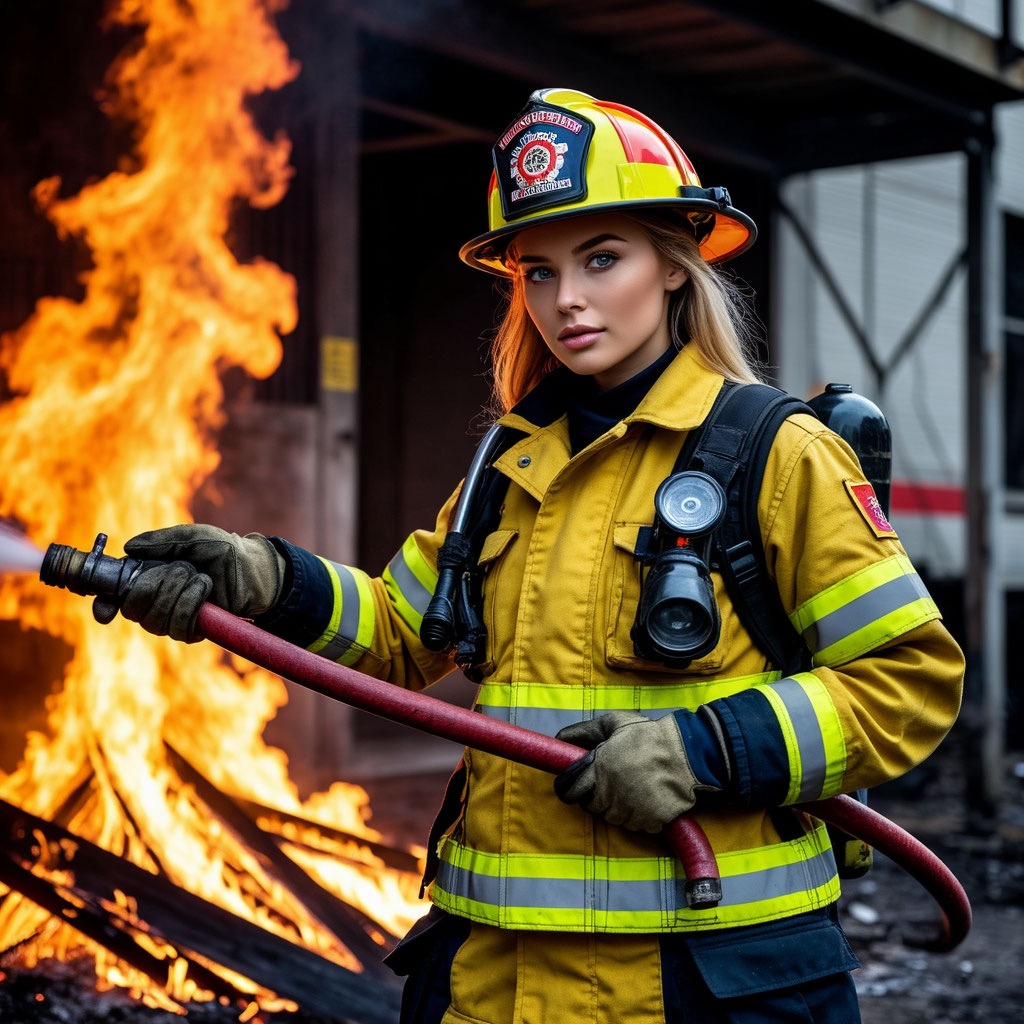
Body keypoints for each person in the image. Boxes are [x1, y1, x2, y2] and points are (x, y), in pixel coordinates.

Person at [119, 89, 965, 1023]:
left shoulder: (778, 454)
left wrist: (704, 750)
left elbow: (908, 678)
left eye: (604, 259)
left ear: (676, 264)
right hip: (493, 980)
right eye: (538, 272)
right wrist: (263, 579)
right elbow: (404, 633)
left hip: (701, 979)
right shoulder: (510, 462)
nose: (567, 300)